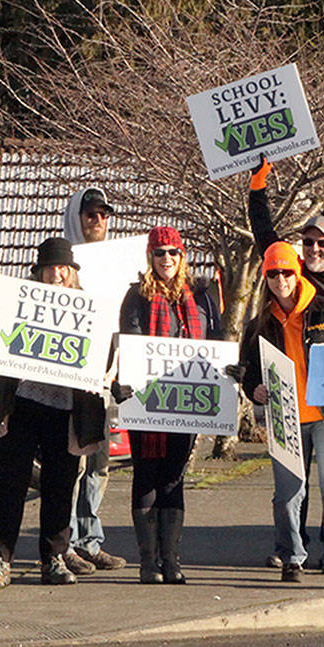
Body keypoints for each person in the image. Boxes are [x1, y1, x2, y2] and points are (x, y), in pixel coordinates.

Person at [236, 241, 324, 588]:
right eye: (273, 273)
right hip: (286, 415)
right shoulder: (260, 324)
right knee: (289, 491)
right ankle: (291, 556)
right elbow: (248, 370)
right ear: (265, 277)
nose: (280, 279)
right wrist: (253, 388)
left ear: (297, 271)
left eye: (286, 271)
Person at [0, 238, 108, 588]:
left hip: (65, 410)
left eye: (63, 267)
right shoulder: (16, 302)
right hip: (21, 404)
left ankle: (53, 557)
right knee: (10, 485)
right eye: (50, 267)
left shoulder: (88, 308)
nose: (57, 274)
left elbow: (104, 355)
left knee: (60, 486)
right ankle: (0, 559)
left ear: (72, 272)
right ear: (39, 271)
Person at [117, 227, 223, 584]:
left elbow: (217, 341)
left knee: (174, 477)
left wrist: (229, 368)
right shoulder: (136, 297)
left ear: (183, 257)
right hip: (148, 403)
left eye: (173, 253)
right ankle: (148, 562)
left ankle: (172, 560)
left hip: (187, 402)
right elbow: (130, 344)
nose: (167, 259)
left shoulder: (203, 297)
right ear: (151, 257)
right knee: (147, 474)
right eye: (160, 252)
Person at [59, 187, 126, 574]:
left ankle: (90, 540)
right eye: (90, 214)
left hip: (106, 380)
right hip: (70, 383)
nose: (97, 220)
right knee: (74, 464)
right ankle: (65, 541)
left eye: (103, 214)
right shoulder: (60, 262)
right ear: (76, 217)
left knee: (100, 464)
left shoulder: (118, 265)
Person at [247, 156, 324, 295]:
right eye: (308, 242)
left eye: (322, 243)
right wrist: (257, 185)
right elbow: (263, 231)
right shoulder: (292, 272)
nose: (314, 249)